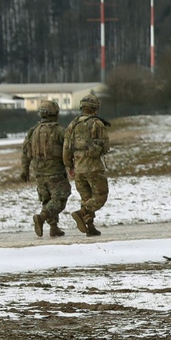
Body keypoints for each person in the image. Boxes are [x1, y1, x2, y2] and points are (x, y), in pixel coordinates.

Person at [20, 101, 70, 237]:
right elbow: (68, 150)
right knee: (60, 198)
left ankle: (53, 227)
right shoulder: (60, 131)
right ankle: (41, 218)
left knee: (47, 199)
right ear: (56, 113)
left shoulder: (33, 131)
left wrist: (25, 170)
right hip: (55, 172)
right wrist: (71, 166)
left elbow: (26, 152)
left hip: (39, 173)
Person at [63, 93, 110, 237]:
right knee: (100, 196)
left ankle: (90, 227)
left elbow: (66, 147)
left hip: (78, 168)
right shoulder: (97, 123)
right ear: (96, 108)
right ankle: (82, 213)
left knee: (86, 198)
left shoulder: (73, 124)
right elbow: (106, 146)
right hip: (94, 168)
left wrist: (69, 166)